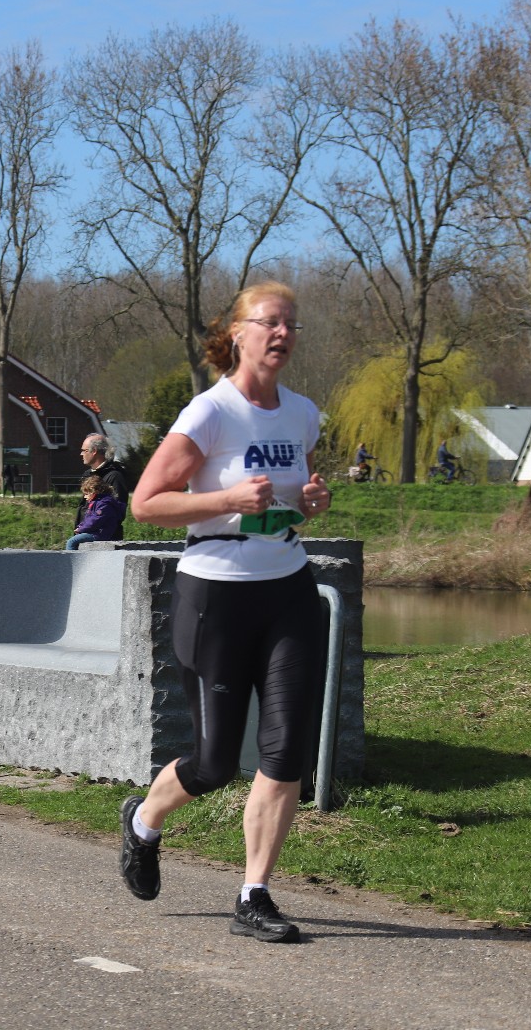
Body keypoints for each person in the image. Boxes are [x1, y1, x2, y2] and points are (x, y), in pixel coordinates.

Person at [118, 280, 331, 944]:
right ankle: (143, 822)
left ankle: (254, 894)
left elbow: (296, 495)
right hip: (216, 595)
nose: (283, 333)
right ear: (238, 333)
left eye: (291, 324)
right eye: (270, 322)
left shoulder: (303, 414)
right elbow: (146, 503)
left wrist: (311, 501)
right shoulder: (210, 412)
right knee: (214, 765)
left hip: (288, 590)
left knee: (286, 751)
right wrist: (228, 500)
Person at [76, 434, 130, 540]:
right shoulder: (88, 475)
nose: (81, 454)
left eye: (84, 450)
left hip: (104, 539)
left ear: (94, 451)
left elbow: (117, 511)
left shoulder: (115, 476)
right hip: (85, 536)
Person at [64, 475, 124, 550]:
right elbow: (88, 519)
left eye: (86, 494)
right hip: (95, 532)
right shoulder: (96, 503)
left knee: (72, 541)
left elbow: (95, 521)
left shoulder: (104, 504)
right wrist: (80, 526)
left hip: (101, 534)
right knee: (76, 538)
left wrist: (81, 529)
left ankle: (70, 557)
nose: (85, 497)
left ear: (94, 492)